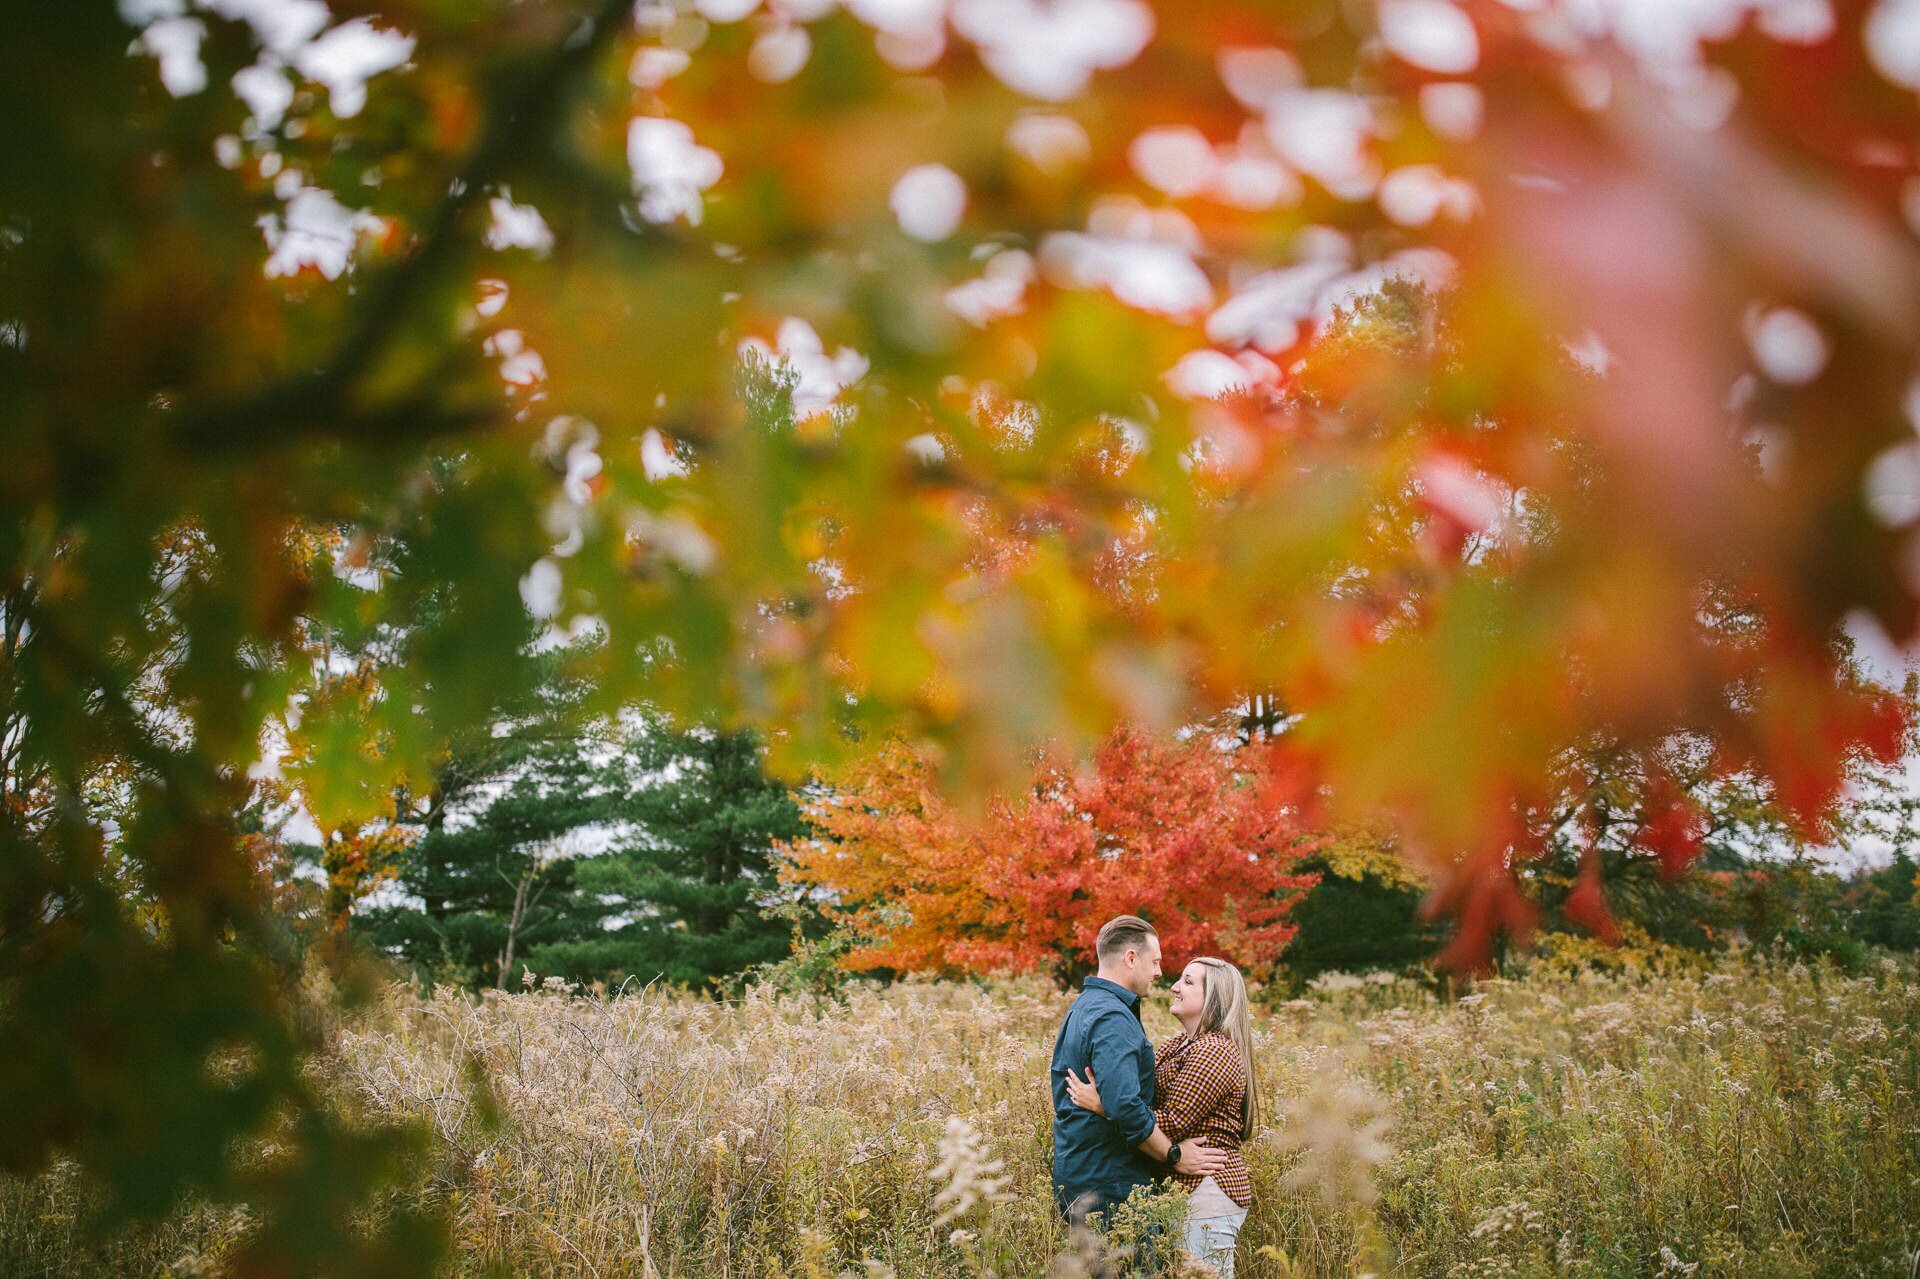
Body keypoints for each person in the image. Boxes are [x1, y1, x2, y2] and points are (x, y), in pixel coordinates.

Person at [1065, 956, 1259, 1278]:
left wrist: (1103, 1105)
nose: (1174, 986)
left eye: (1187, 981)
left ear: (1214, 997)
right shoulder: (1182, 1044)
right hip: (1186, 1189)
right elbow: (1138, 1094)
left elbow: (1168, 1122)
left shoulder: (1215, 1051)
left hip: (1208, 1189)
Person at [1050, 915, 1229, 1231]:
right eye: (1155, 962)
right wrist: (1174, 1155)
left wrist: (1104, 1104)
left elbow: (1117, 1102)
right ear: (1130, 958)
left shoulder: (1086, 1005)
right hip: (1111, 1182)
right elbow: (1126, 1107)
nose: (1160, 973)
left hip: (1082, 1172)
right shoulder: (1112, 1018)